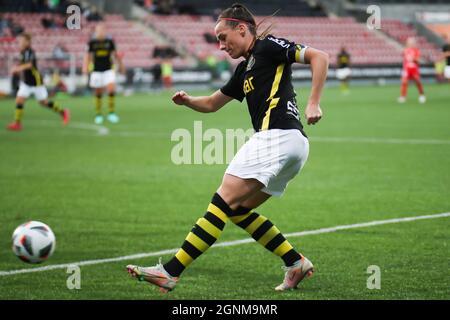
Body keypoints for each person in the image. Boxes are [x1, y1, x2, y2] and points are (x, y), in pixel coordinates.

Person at [126, 3, 328, 293]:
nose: (221, 45)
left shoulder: (268, 46)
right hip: (294, 145)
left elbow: (319, 57)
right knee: (237, 210)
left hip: (276, 137)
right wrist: (188, 101)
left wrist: (313, 102)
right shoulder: (245, 69)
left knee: (220, 202)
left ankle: (171, 271)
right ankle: (294, 262)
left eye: (223, 37)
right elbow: (212, 103)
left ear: (242, 29)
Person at [6, 33, 69, 131]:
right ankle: (17, 123)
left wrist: (17, 69)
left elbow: (30, 65)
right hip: (26, 82)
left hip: (36, 82)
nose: (20, 43)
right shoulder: (23, 52)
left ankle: (63, 112)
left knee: (43, 102)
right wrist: (17, 68)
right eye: (20, 41)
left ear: (27, 42)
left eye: (22, 41)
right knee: (19, 100)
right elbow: (23, 64)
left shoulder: (30, 52)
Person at [83, 23, 124, 124]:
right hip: (96, 70)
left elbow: (115, 55)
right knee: (98, 92)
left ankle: (111, 113)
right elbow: (88, 56)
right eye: (99, 30)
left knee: (111, 89)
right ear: (96, 32)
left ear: (105, 31)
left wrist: (121, 65)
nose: (101, 32)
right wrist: (85, 67)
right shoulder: (92, 43)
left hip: (108, 69)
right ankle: (98, 114)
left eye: (102, 30)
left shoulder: (109, 42)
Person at [398, 37, 426, 104]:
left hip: (414, 68)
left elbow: (418, 60)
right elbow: (404, 59)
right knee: (404, 82)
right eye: (409, 42)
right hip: (406, 69)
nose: (410, 43)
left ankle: (421, 95)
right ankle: (403, 96)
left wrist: (413, 59)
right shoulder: (405, 50)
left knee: (417, 81)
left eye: (411, 42)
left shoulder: (416, 50)